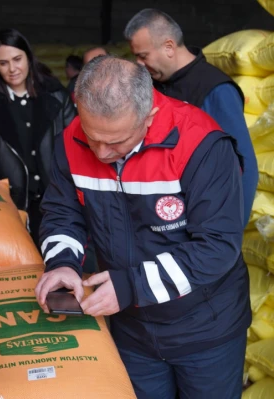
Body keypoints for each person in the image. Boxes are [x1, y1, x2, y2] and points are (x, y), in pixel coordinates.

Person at [35, 56, 249, 399]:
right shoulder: (70, 140)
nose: (102, 153)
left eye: (117, 141)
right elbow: (63, 212)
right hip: (131, 331)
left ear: (148, 115)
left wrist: (130, 286)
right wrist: (62, 263)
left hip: (205, 329)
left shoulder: (200, 144)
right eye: (93, 138)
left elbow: (218, 246)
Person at [124, 9, 257, 225]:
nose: (139, 63)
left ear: (168, 47)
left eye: (143, 55)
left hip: (202, 222)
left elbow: (244, 165)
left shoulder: (214, 88)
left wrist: (229, 232)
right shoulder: (151, 87)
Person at [0, 28, 76, 245]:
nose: (12, 69)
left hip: (55, 200)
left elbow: (76, 148)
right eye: (3, 63)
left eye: (17, 59)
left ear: (28, 57)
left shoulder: (55, 95)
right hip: (12, 206)